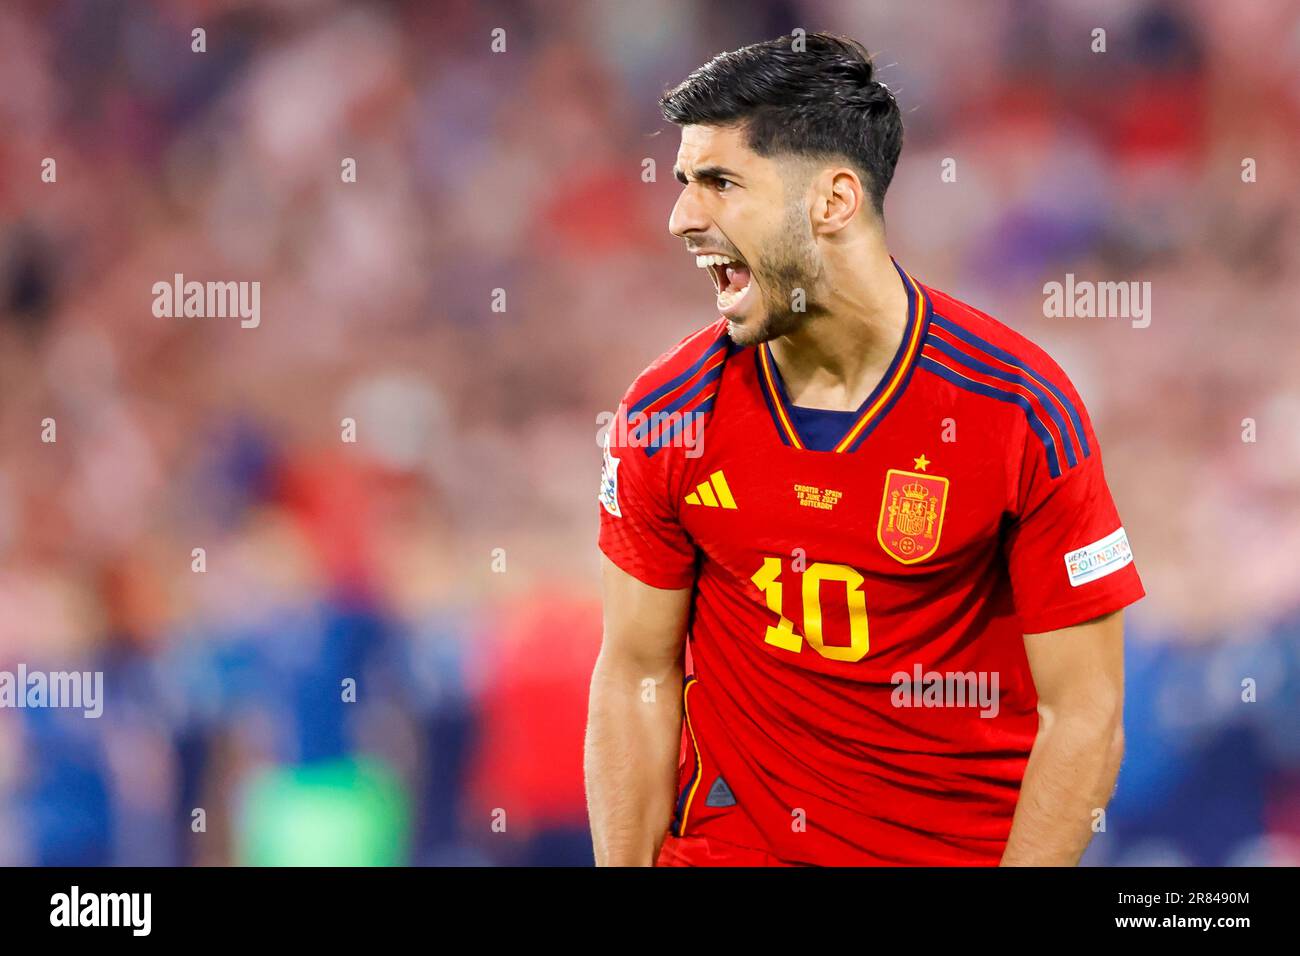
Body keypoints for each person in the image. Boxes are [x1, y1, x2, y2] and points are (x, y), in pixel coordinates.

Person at [585, 33, 1144, 866]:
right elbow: (635, 675)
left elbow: (1086, 713)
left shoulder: (1018, 410)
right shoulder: (665, 416)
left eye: (720, 183)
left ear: (835, 200)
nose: (681, 218)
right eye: (682, 184)